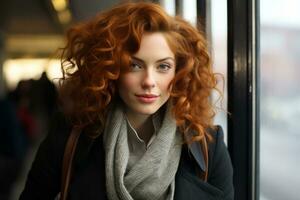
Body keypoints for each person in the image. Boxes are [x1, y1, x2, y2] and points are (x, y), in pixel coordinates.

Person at [20, 2, 234, 200]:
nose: (149, 81)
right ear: (111, 70)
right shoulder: (70, 137)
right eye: (135, 65)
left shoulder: (207, 146)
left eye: (163, 67)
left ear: (179, 72)